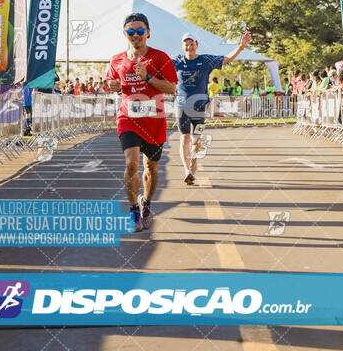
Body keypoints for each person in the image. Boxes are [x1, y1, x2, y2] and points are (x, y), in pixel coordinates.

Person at [107, 12, 178, 232]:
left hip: (154, 120)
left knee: (152, 167)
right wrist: (112, 86)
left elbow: (171, 88)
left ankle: (145, 203)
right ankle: (133, 209)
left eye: (140, 31)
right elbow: (113, 83)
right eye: (131, 31)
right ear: (124, 34)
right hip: (127, 117)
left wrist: (148, 77)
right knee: (131, 164)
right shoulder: (117, 59)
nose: (135, 35)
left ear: (148, 33)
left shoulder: (160, 57)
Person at [172, 31, 252, 185]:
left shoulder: (206, 60)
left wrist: (241, 47)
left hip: (199, 107)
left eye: (191, 44)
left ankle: (194, 157)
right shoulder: (176, 61)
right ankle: (187, 170)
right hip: (181, 106)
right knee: (185, 137)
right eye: (186, 44)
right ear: (183, 46)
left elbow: (227, 59)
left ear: (197, 45)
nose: (189, 47)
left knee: (196, 140)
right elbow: (157, 65)